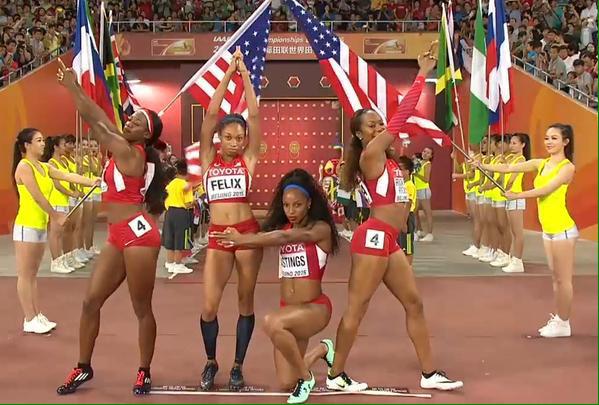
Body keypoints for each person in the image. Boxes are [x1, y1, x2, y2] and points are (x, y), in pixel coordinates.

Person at [327, 49, 463, 392]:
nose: (380, 127)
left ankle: (429, 373)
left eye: (379, 123)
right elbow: (401, 118)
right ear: (360, 135)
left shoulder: (389, 161)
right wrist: (422, 74)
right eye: (372, 125)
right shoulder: (370, 155)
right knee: (357, 308)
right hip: (373, 236)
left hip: (390, 240)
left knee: (414, 303)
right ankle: (335, 374)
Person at [55, 58, 167, 395]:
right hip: (118, 235)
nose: (130, 119)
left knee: (141, 308)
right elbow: (103, 121)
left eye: (138, 120)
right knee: (90, 302)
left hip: (138, 234)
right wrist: (77, 89)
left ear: (146, 135)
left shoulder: (132, 153)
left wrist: (73, 87)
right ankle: (83, 366)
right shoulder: (122, 147)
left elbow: (96, 121)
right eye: (131, 116)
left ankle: (144, 371)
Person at [212, 169, 339, 404]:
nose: (291, 211)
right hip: (288, 311)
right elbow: (270, 235)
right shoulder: (283, 227)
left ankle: (306, 378)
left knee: (271, 322)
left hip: (314, 309)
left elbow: (284, 238)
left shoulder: (320, 229)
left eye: (297, 205)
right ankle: (323, 350)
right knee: (286, 382)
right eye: (286, 205)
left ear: (309, 203)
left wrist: (242, 240)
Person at [197, 48, 263, 390]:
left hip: (247, 235)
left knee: (245, 301)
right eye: (228, 137)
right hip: (218, 236)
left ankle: (238, 366)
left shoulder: (247, 160)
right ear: (219, 139)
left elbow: (254, 114)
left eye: (239, 138)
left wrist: (246, 75)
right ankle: (211, 361)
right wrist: (228, 72)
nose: (235, 142)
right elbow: (211, 114)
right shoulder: (208, 159)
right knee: (209, 306)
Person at [478, 124, 576, 338]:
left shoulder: (567, 168)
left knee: (563, 279)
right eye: (547, 138)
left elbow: (546, 189)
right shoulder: (541, 163)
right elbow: (508, 168)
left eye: (554, 138)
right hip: (548, 229)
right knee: (556, 279)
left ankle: (564, 322)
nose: (549, 142)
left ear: (565, 142)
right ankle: (560, 319)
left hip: (562, 229)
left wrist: (518, 195)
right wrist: (480, 164)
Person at [12, 128, 97, 334]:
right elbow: (37, 196)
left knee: (33, 274)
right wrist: (56, 215)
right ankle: (29, 318)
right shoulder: (24, 167)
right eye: (38, 140)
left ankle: (36, 314)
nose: (43, 144)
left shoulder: (43, 167)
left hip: (39, 225)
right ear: (27, 145)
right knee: (25, 274)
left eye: (43, 140)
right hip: (26, 225)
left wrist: (91, 181)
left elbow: (67, 175)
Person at [42, 135, 78, 273]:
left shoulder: (63, 161)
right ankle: (55, 262)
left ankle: (62, 259)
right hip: (55, 200)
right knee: (55, 233)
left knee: (61, 232)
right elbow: (57, 185)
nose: (66, 147)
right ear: (55, 147)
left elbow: (68, 179)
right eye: (63, 145)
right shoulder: (51, 163)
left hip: (64, 201)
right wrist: (71, 193)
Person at [501, 133, 531, 273]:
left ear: (523, 145)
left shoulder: (521, 159)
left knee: (517, 232)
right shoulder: (511, 159)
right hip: (510, 197)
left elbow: (512, 179)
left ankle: (518, 261)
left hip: (516, 197)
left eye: (514, 143)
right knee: (513, 232)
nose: (511, 146)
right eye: (511, 143)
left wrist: (505, 189)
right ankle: (513, 258)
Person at [162, 159, 194, 274]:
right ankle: (178, 264)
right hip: (181, 213)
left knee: (170, 238)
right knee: (180, 239)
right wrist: (194, 202)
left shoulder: (170, 185)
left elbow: (164, 200)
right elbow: (188, 203)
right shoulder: (186, 185)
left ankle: (169, 263)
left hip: (169, 212)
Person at [396, 155, 417, 264]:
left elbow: (407, 204)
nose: (399, 172)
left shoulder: (409, 185)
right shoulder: (401, 184)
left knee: (408, 245)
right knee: (401, 244)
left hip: (407, 217)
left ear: (408, 171)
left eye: (401, 169)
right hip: (400, 216)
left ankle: (408, 266)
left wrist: (404, 222)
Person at [413, 147, 434, 241]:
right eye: (424, 151)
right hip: (416, 189)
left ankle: (430, 234)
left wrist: (416, 174)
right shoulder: (418, 162)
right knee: (414, 211)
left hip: (423, 190)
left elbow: (426, 179)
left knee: (427, 212)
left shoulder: (427, 164)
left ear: (431, 156)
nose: (425, 153)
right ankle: (419, 230)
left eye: (428, 153)